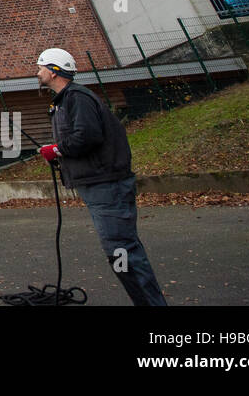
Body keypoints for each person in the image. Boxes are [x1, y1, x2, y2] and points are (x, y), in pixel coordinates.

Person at [36, 47, 167, 306]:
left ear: (53, 71)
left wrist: (58, 149)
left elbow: (88, 136)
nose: (37, 73)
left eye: (40, 68)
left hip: (106, 185)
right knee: (121, 249)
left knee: (122, 250)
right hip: (100, 185)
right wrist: (59, 153)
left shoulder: (76, 98)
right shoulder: (65, 100)